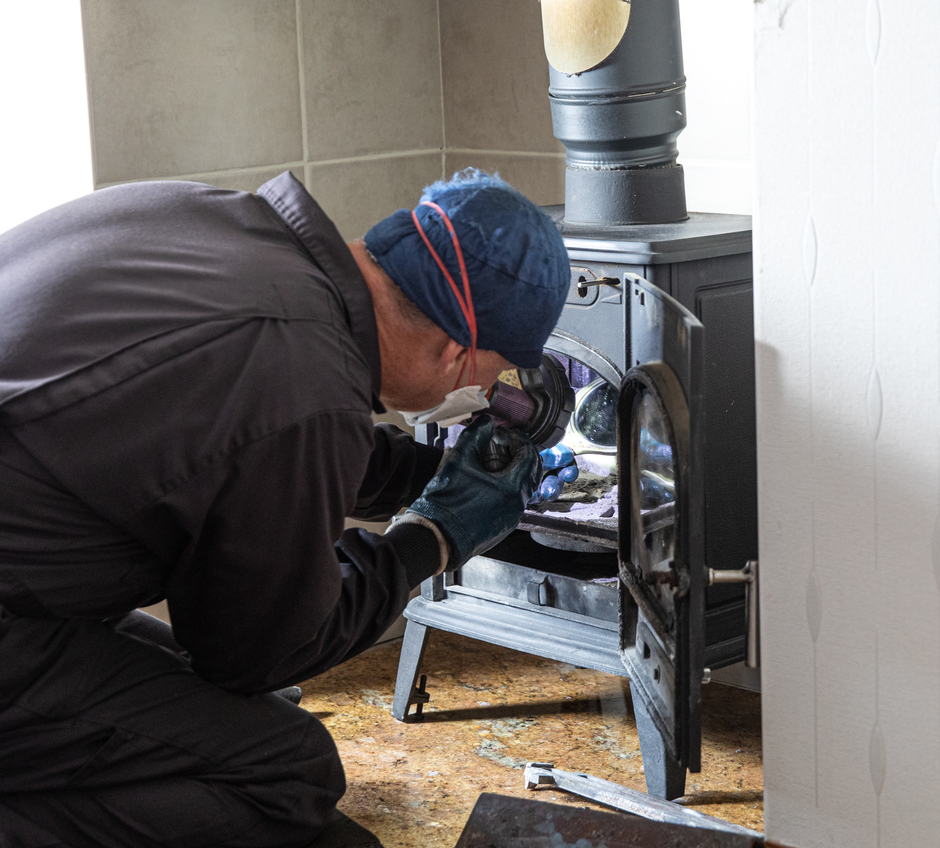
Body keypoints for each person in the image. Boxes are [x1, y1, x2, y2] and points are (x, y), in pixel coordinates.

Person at [0, 169, 569, 847]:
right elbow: (257, 650)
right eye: (491, 370)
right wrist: (433, 536)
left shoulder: (222, 222)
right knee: (289, 773)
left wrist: (435, 473)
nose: (483, 387)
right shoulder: (299, 380)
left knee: (228, 710)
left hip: (27, 588)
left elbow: (240, 441)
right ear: (456, 351)